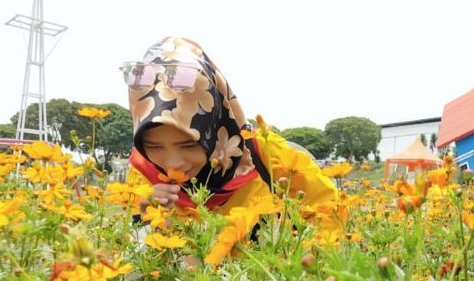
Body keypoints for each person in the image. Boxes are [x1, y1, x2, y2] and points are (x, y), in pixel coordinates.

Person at [122, 37, 336, 221]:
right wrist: (149, 222)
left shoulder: (270, 159)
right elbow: (135, 257)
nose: (173, 163)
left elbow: (331, 216)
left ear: (216, 121)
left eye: (188, 143)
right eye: (153, 146)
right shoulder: (142, 177)